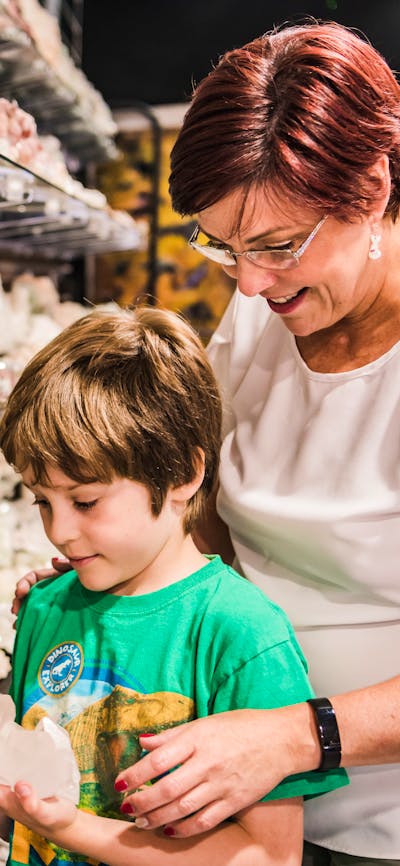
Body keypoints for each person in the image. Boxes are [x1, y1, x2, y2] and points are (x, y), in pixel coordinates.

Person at [11, 18, 400, 865]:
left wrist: (301, 736)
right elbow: (203, 494)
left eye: (276, 245)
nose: (252, 284)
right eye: (222, 246)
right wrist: (124, 563)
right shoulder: (270, 300)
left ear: (370, 187)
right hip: (203, 793)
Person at [0, 306, 346, 866]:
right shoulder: (44, 606)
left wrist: (75, 828)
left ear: (182, 474)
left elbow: (269, 855)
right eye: (43, 500)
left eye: (86, 501)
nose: (59, 531)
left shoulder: (240, 634)